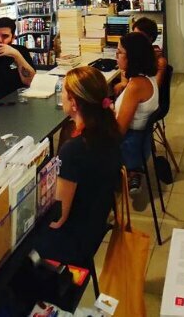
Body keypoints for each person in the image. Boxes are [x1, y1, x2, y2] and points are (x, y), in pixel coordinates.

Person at [33, 66, 122, 266]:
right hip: (93, 228)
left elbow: (57, 219)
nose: (61, 96)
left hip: (71, 243)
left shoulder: (73, 150)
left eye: (63, 92)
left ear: (73, 103)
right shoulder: (109, 131)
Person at [114, 32, 159, 206]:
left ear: (132, 56)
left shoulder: (136, 86)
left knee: (73, 139)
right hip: (140, 143)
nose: (116, 56)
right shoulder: (146, 78)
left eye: (119, 52)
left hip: (129, 146)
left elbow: (119, 132)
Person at [113, 16, 167, 97]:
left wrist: (128, 85)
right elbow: (124, 72)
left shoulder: (159, 61)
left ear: (149, 38)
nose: (135, 39)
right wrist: (124, 82)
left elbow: (154, 90)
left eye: (139, 36)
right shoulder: (133, 54)